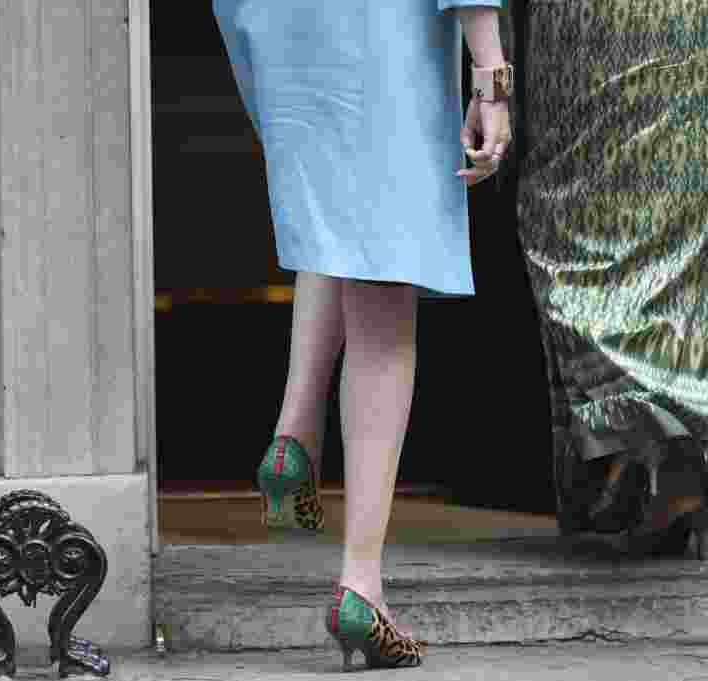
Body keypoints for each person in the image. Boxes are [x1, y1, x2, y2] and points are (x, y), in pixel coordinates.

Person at [212, 0, 512, 670]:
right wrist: (491, 72)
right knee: (385, 303)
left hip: (284, 35)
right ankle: (361, 586)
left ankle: (295, 432)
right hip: (383, 38)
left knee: (337, 229)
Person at [510, 0, 708, 557]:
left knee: (576, 212)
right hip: (701, 29)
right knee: (694, 216)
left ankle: (638, 438)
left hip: (592, 29)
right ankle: (669, 436)